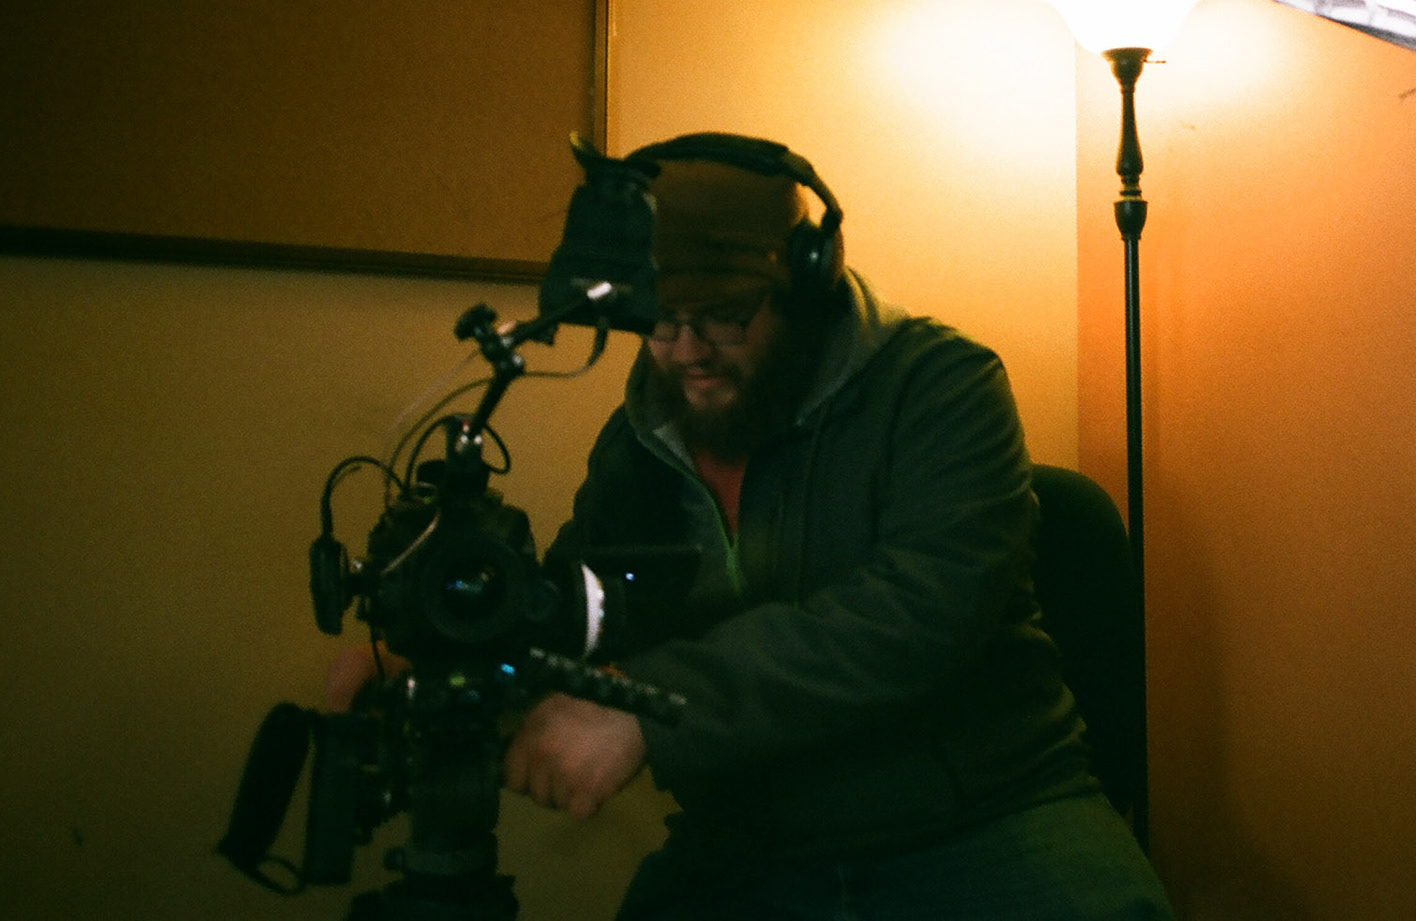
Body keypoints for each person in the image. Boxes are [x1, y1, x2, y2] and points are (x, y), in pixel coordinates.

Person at [332, 133, 1173, 920]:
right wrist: (450, 650)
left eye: (723, 313)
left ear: (807, 282)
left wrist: (652, 716)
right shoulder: (639, 440)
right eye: (659, 320)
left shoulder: (940, 385)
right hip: (749, 844)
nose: (685, 350)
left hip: (985, 815)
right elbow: (587, 607)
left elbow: (920, 612)